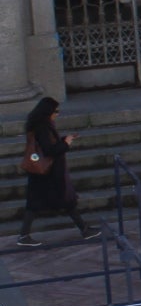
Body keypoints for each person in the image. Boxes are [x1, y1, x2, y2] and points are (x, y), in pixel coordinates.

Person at [17, 97, 98, 248]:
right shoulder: (43, 127)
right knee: (63, 201)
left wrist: (63, 140)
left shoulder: (38, 125)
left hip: (42, 172)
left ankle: (84, 229)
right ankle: (84, 230)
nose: (57, 114)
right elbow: (50, 150)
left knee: (44, 203)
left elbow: (46, 146)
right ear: (48, 112)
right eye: (56, 111)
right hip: (48, 173)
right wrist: (66, 143)